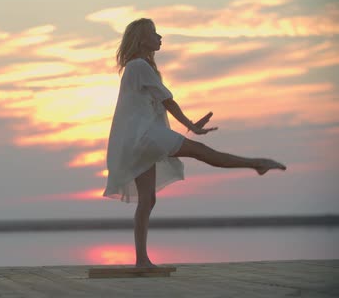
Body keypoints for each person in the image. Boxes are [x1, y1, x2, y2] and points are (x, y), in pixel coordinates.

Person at [103, 18, 287, 268]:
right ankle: (257, 163)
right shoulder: (139, 65)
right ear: (141, 39)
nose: (160, 36)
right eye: (154, 33)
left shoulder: (136, 67)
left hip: (137, 139)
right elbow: (168, 101)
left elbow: (155, 104)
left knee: (148, 200)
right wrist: (191, 126)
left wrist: (189, 125)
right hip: (145, 136)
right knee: (201, 151)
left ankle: (141, 260)